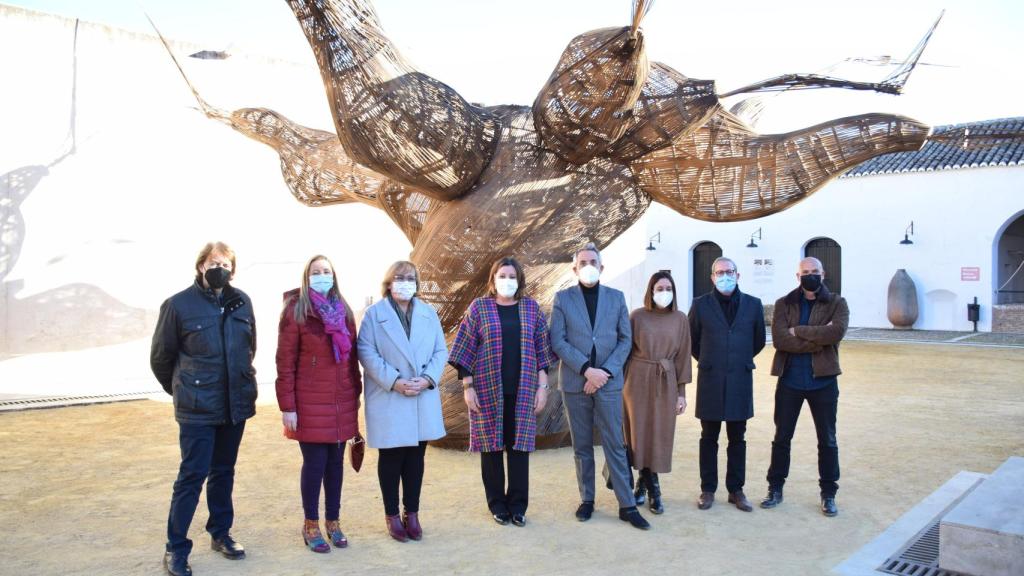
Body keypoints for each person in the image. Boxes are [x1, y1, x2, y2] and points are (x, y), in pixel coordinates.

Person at [151, 242, 258, 576]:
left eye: (225, 263)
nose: (219, 267)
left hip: (233, 405)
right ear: (200, 266)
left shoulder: (242, 302)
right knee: (192, 476)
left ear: (232, 269)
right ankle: (176, 548)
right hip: (197, 408)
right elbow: (160, 358)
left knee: (224, 471)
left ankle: (220, 532)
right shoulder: (178, 305)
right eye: (214, 262)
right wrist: (185, 389)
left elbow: (249, 348)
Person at [449, 256, 555, 527]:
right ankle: (497, 504)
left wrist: (542, 388)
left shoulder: (531, 309)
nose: (507, 281)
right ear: (493, 280)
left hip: (524, 390)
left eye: (512, 276)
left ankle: (518, 506)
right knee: (491, 448)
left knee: (519, 448)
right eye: (502, 275)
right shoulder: (479, 309)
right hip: (486, 389)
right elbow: (465, 349)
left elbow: (542, 353)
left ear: (519, 281)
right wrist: (468, 387)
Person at [550, 242, 650, 530]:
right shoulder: (563, 299)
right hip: (575, 382)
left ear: (602, 267)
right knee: (582, 445)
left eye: (593, 261)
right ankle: (587, 500)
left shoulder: (616, 298)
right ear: (574, 268)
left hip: (607, 382)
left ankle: (626, 504)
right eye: (583, 262)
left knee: (614, 443)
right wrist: (586, 370)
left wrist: (603, 372)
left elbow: (625, 340)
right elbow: (558, 340)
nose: (588, 266)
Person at [275, 255, 361, 552]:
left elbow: (352, 360)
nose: (322, 276)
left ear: (333, 276)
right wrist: (288, 407)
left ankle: (333, 522)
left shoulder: (344, 309)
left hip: (340, 400)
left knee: (336, 465)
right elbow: (284, 363)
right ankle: (310, 524)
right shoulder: (296, 311)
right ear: (306, 276)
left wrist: (355, 396)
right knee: (315, 464)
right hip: (309, 403)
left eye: (326, 271)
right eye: (316, 272)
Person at [357, 261, 448, 542]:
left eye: (410, 278)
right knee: (392, 456)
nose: (405, 282)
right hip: (390, 395)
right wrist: (394, 381)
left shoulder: (428, 313)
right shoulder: (374, 315)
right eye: (399, 277)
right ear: (388, 282)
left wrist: (428, 378)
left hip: (421, 394)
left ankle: (413, 512)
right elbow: (366, 351)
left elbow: (440, 350)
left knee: (416, 457)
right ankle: (392, 515)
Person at [760, 256, 849, 517]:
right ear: (797, 277)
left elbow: (836, 332)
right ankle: (775, 488)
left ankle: (828, 493)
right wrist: (818, 336)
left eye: (814, 271)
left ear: (823, 274)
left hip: (823, 380)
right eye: (805, 272)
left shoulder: (837, 303)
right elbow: (779, 340)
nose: (810, 275)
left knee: (828, 439)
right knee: (781, 438)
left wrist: (797, 331)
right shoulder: (784, 303)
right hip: (790, 380)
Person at [688, 257, 766, 512]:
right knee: (708, 437)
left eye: (729, 271)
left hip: (740, 379)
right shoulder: (700, 305)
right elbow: (693, 340)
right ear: (712, 277)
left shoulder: (753, 305)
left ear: (738, 274)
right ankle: (707, 489)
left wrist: (736, 359)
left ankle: (736, 490)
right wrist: (713, 360)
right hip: (710, 378)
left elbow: (758, 341)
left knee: (738, 437)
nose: (725, 276)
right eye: (719, 272)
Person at [622, 271, 692, 515]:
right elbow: (625, 350)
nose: (664, 292)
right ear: (651, 291)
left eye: (668, 288)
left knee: (660, 433)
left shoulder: (681, 319)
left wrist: (681, 393)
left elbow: (683, 356)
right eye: (659, 288)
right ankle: (653, 490)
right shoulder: (637, 317)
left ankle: (645, 483)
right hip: (637, 379)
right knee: (639, 433)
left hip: (666, 379)